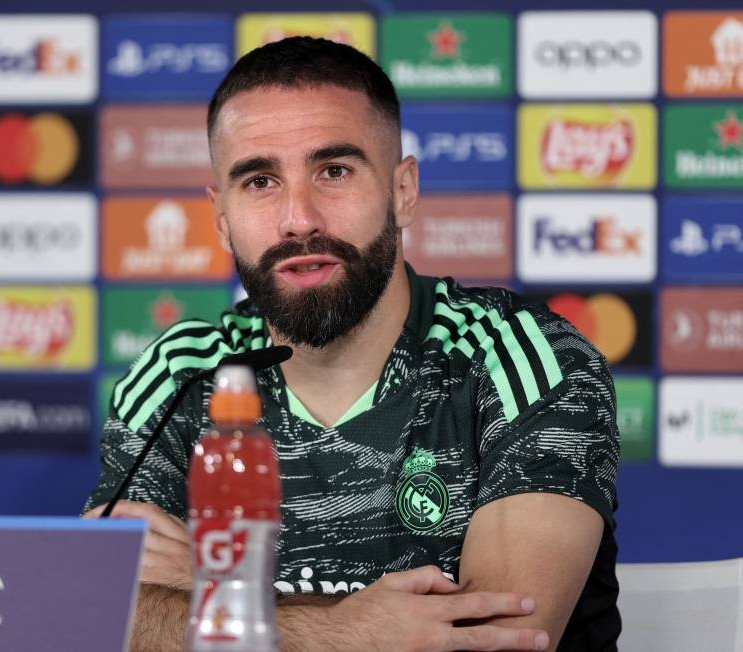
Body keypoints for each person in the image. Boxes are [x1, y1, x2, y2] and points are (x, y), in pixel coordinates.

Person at [85, 36, 620, 652]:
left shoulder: (523, 358)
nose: (299, 217)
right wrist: (350, 630)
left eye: (333, 171)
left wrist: (212, 587)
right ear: (222, 218)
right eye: (260, 181)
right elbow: (103, 612)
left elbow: (495, 640)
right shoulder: (183, 372)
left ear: (403, 190)